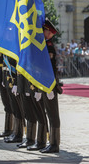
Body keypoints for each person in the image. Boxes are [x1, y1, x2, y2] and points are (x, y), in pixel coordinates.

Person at [40, 18, 62, 153]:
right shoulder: (45, 44)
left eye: (44, 31)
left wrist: (51, 85)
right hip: (46, 83)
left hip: (50, 84)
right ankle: (51, 142)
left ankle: (55, 144)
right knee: (49, 113)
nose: (43, 33)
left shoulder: (48, 46)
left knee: (53, 115)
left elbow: (49, 68)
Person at [0, 52, 13, 139]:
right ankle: (8, 129)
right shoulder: (1, 46)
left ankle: (14, 130)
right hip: (3, 76)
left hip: (11, 77)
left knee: (14, 106)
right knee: (6, 104)